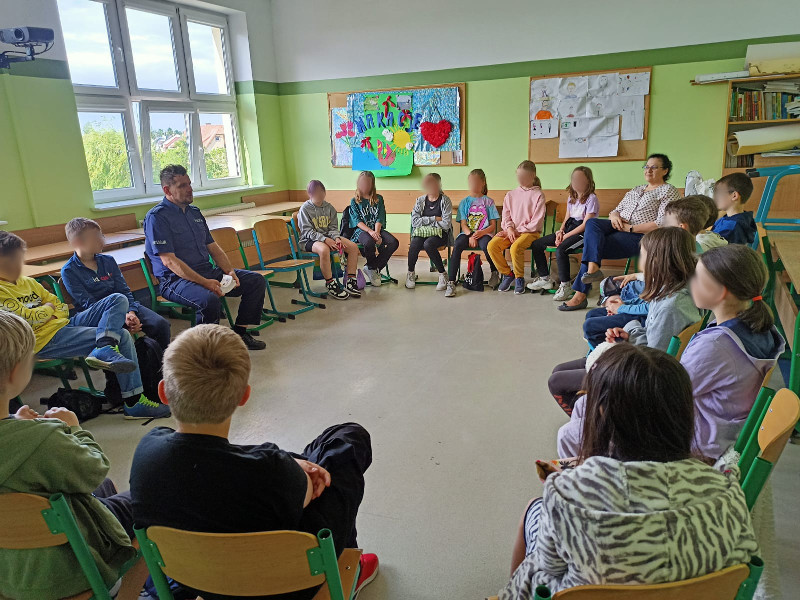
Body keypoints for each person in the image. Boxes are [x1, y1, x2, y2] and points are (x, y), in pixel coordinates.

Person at [129, 325, 378, 600]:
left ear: (163, 392)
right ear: (244, 396)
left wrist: (289, 463)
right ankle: (350, 568)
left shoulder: (146, 455)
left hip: (195, 581)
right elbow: (312, 487)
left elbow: (206, 462)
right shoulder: (271, 470)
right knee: (347, 442)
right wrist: (294, 464)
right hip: (290, 585)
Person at [500, 344, 758, 599]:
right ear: (684, 411)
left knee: (532, 510)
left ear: (602, 411)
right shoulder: (727, 491)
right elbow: (743, 567)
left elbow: (548, 568)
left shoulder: (565, 495)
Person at [0, 311, 137, 600]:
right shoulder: (45, 438)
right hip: (72, 576)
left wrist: (14, 422)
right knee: (145, 494)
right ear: (15, 373)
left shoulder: (30, 437)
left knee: (105, 488)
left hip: (10, 580)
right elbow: (95, 469)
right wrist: (73, 429)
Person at [0, 231, 168, 419]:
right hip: (42, 339)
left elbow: (61, 307)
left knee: (117, 299)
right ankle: (133, 402)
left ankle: (104, 345)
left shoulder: (28, 282)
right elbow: (27, 320)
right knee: (121, 335)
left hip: (64, 324)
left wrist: (47, 312)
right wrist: (48, 310)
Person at [549, 227, 701, 414]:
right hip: (641, 358)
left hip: (640, 377)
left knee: (556, 381)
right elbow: (653, 337)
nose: (640, 261)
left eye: (643, 255)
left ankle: (599, 423)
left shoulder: (671, 306)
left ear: (657, 261)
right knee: (558, 370)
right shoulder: (671, 292)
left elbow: (653, 361)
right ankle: (596, 416)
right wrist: (629, 332)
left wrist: (628, 337)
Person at [143, 164, 267, 350]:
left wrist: (229, 271)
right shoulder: (157, 217)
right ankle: (205, 349)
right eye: (182, 186)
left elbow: (213, 247)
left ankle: (240, 333)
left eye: (189, 184)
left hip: (206, 271)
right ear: (167, 190)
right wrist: (205, 283)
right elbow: (169, 261)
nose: (190, 189)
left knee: (255, 281)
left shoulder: (194, 212)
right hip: (175, 281)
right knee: (208, 300)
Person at [683, 244, 785, 459]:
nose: (692, 283)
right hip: (724, 436)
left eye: (698, 278)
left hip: (700, 446)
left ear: (721, 291)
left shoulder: (716, 344)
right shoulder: (761, 326)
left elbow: (671, 391)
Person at [559, 153, 680, 311]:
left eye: (654, 167)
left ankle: (580, 294)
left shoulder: (668, 190)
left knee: (593, 246)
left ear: (665, 170)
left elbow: (662, 223)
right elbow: (616, 210)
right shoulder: (637, 189)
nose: (648, 170)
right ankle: (593, 268)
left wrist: (631, 228)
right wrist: (614, 215)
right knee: (592, 223)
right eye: (646, 166)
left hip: (640, 235)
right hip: (617, 225)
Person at [61, 217, 171, 350]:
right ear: (78, 242)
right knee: (118, 337)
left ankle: (158, 360)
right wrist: (121, 315)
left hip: (125, 308)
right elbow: (88, 304)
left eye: (101, 235)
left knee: (161, 325)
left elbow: (124, 290)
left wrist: (131, 313)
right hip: (99, 316)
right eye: (95, 237)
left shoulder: (108, 260)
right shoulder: (69, 271)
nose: (102, 240)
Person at [528, 166, 599, 299]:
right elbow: (567, 218)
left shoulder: (591, 198)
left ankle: (565, 285)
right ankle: (544, 278)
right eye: (574, 178)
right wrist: (560, 232)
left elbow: (585, 225)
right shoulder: (571, 197)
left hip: (584, 233)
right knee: (537, 244)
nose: (576, 181)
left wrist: (565, 236)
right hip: (569, 228)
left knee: (561, 249)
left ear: (588, 181)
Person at [487, 160, 546, 295]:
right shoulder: (510, 194)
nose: (520, 179)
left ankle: (519, 278)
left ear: (532, 176)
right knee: (492, 246)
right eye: (519, 176)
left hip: (530, 233)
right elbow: (506, 216)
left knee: (515, 247)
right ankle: (508, 274)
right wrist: (509, 229)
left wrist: (517, 231)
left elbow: (536, 222)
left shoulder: (538, 195)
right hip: (512, 232)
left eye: (524, 176)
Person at [296, 180, 362, 301]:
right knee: (324, 250)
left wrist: (336, 238)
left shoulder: (329, 208)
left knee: (353, 247)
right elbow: (307, 231)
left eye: (321, 191)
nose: (319, 194)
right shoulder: (305, 209)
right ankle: (330, 283)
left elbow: (333, 228)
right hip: (309, 240)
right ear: (310, 194)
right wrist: (325, 239)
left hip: (328, 237)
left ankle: (351, 280)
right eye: (316, 192)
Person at [445, 169, 500, 297]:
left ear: (483, 183)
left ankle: (494, 273)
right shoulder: (464, 202)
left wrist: (481, 232)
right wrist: (470, 235)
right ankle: (451, 281)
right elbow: (463, 224)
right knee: (458, 244)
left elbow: (492, 226)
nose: (473, 184)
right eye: (471, 182)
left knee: (488, 246)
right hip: (468, 233)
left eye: (476, 182)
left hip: (485, 233)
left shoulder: (489, 202)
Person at [349, 170, 399, 287]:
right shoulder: (354, 201)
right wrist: (371, 232)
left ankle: (371, 268)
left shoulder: (378, 199)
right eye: (362, 183)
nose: (365, 185)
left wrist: (376, 232)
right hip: (362, 231)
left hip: (377, 229)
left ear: (372, 184)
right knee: (369, 242)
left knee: (394, 242)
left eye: (368, 183)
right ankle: (373, 269)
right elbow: (357, 221)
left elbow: (380, 217)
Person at [406, 173, 452, 291]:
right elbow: (414, 222)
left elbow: (446, 224)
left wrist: (424, 221)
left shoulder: (445, 200)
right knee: (414, 243)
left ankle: (442, 274)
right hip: (423, 233)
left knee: (428, 244)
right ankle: (410, 273)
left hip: (440, 234)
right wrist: (434, 219)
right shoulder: (420, 200)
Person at [662, 195, 727, 253]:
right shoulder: (696, 245)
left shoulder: (685, 252)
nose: (663, 226)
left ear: (682, 227)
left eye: (667, 222)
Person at [712, 172, 757, 246]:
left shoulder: (733, 227)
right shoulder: (732, 219)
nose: (715, 197)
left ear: (734, 196)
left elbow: (715, 248)